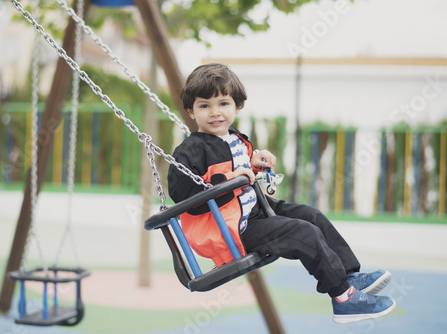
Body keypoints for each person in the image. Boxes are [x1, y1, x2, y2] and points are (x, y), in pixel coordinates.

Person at [167, 63, 396, 324]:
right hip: (230, 230)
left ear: (237, 106)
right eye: (204, 105)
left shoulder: (233, 137)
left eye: (223, 103)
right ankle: (343, 298)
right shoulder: (189, 151)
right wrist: (234, 177)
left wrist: (253, 163)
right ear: (191, 111)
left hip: (253, 212)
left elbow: (234, 168)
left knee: (312, 216)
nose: (215, 112)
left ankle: (349, 274)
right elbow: (187, 197)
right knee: (302, 233)